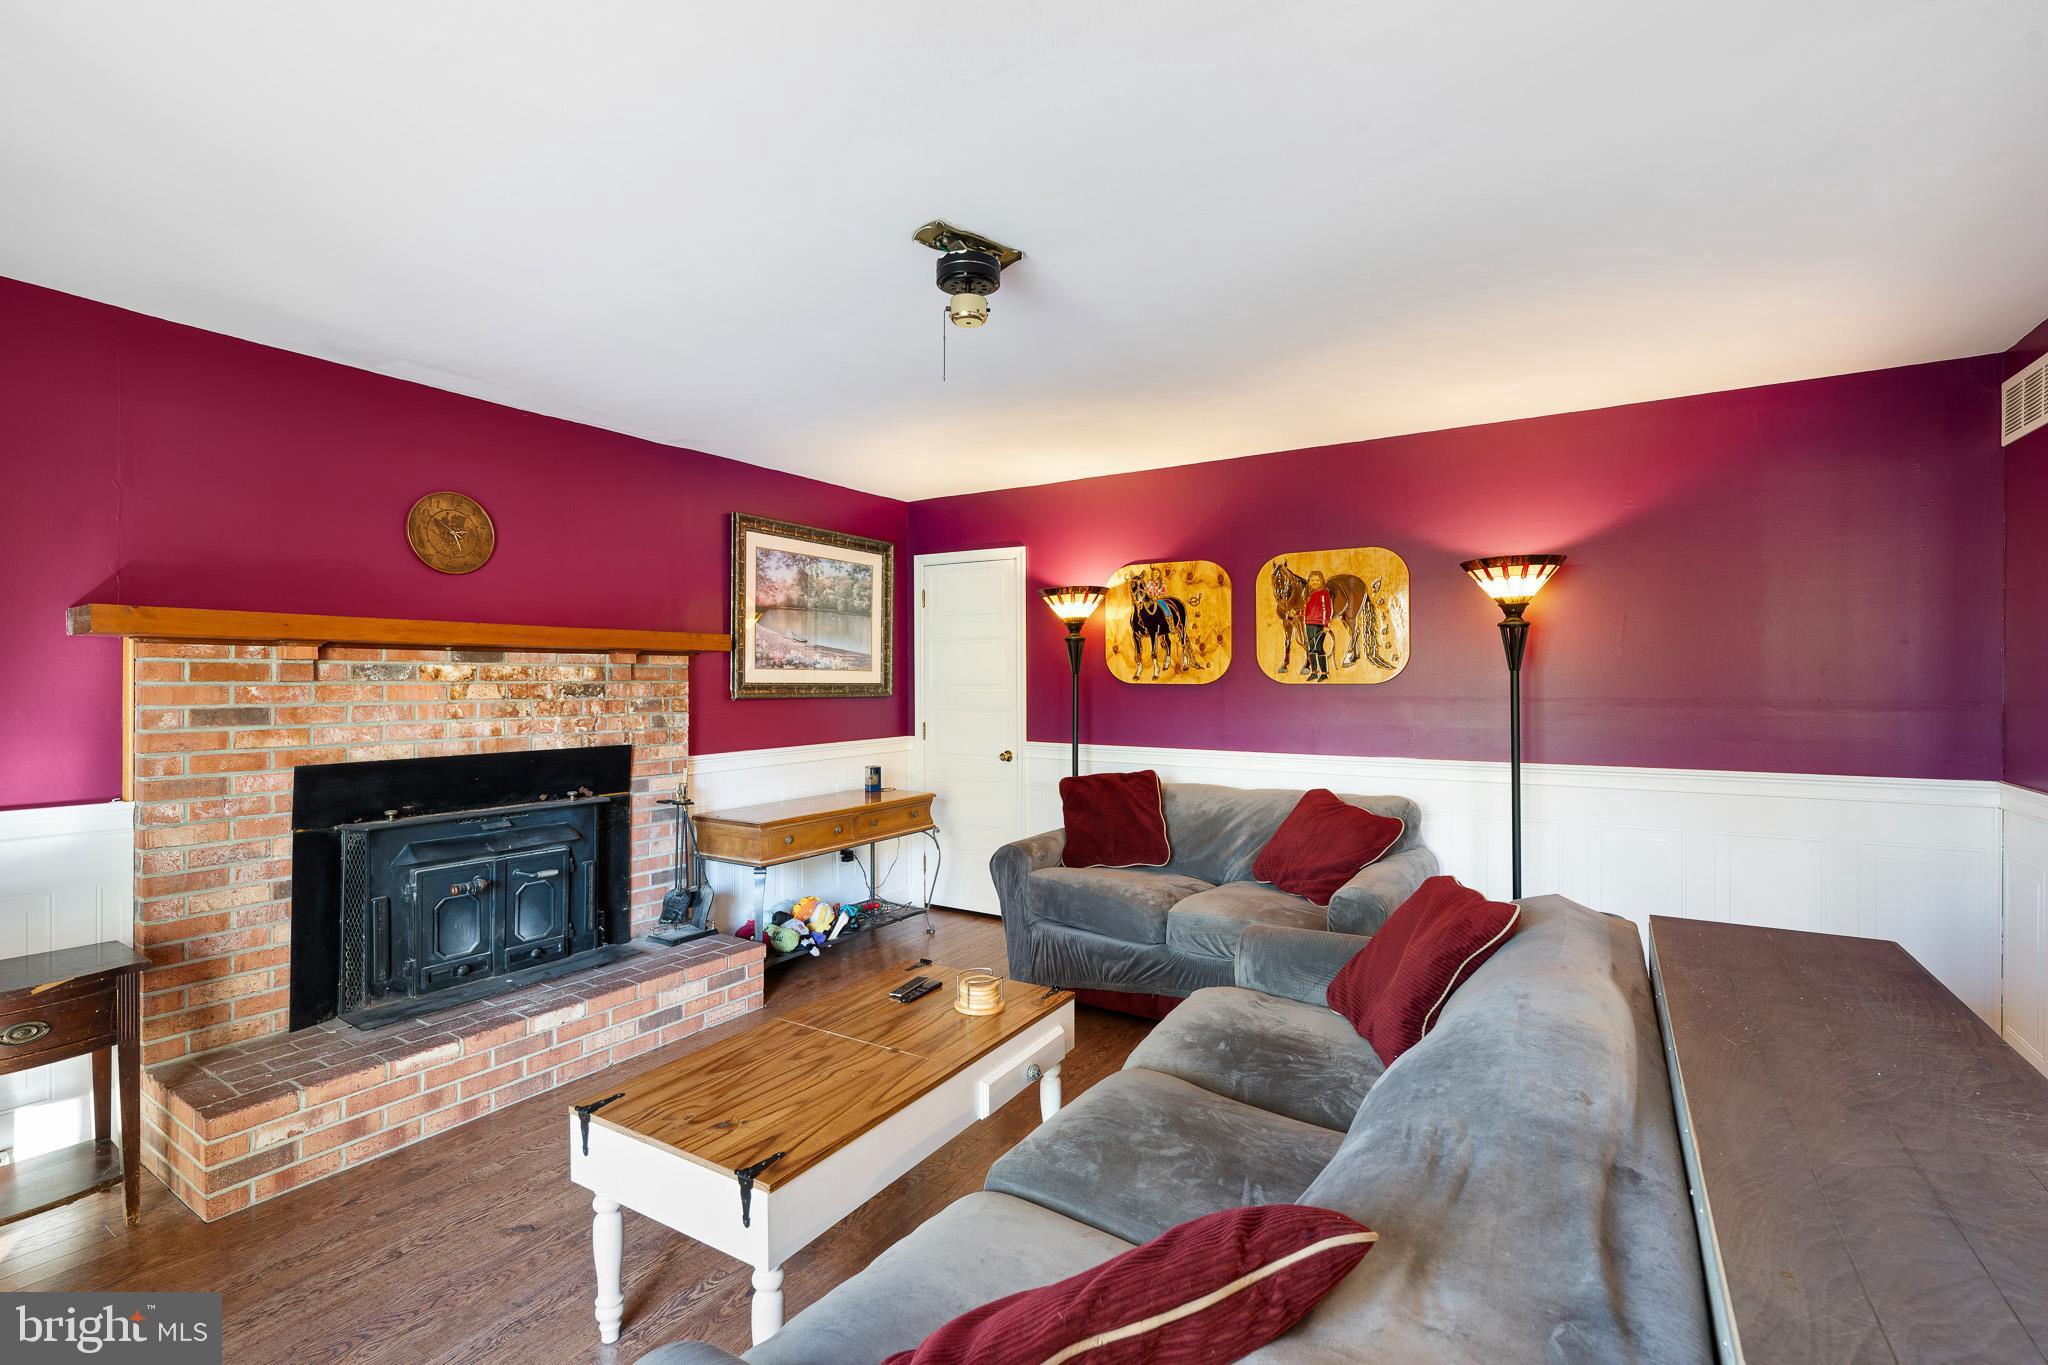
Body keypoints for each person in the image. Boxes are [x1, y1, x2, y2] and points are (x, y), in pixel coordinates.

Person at [1303, 571, 1332, 681]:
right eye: (1312, 580)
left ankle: (1324, 673)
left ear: (1321, 581)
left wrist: (1326, 624)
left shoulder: (1324, 593)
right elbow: (1306, 610)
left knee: (1318, 648)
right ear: (1309, 582)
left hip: (1319, 623)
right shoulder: (1308, 594)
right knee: (1311, 648)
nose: (1315, 582)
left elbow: (1327, 609)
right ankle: (1314, 672)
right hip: (1308, 623)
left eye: (1317, 580)